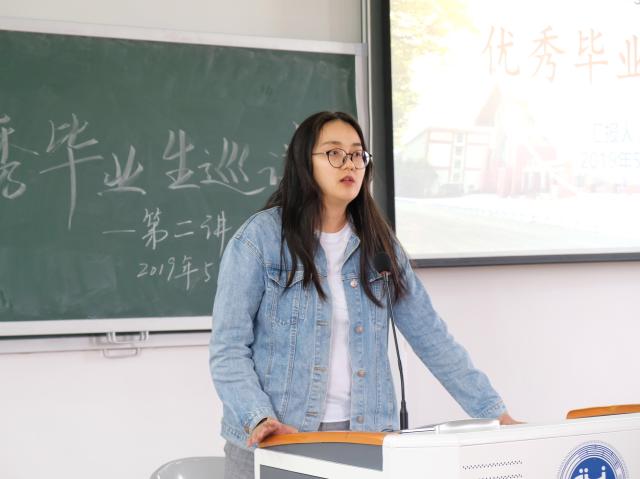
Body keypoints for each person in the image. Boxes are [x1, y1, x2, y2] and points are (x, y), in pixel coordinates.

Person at [209, 111, 518, 479]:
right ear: (304, 162)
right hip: (277, 440)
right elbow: (228, 349)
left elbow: (433, 338)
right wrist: (258, 417)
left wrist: (495, 415)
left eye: (357, 154)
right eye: (334, 153)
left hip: (363, 440)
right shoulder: (259, 240)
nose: (350, 164)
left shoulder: (379, 246)